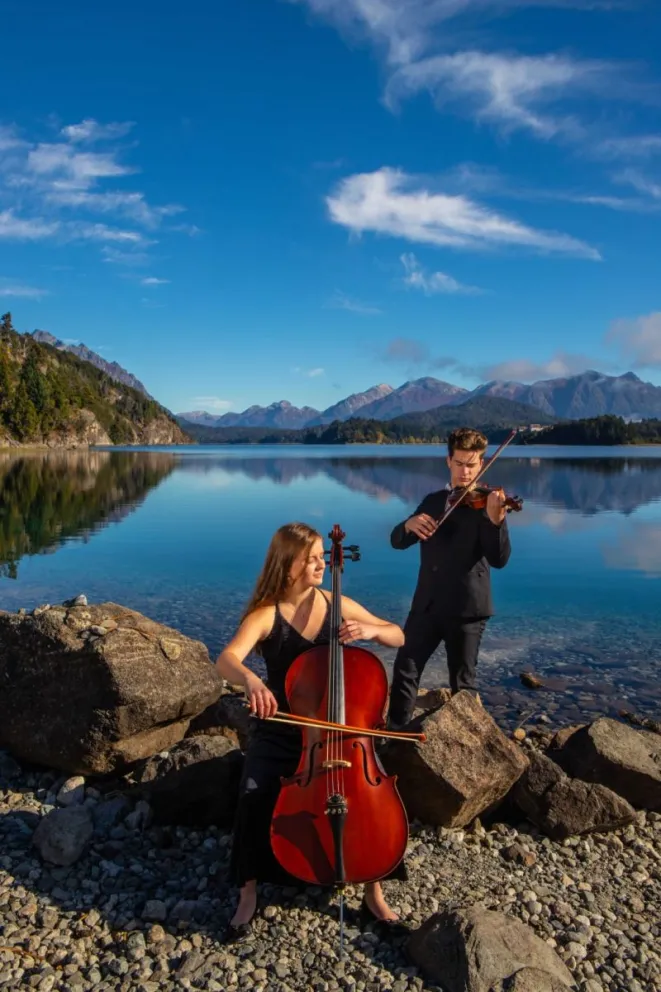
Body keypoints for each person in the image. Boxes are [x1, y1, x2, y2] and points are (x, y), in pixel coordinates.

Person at [215, 522, 409, 943]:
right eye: (312, 558)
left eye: (324, 556)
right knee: (252, 793)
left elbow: (397, 633)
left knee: (374, 795)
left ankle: (374, 890)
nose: (321, 563)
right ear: (288, 566)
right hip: (282, 731)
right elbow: (227, 658)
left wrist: (373, 631)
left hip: (339, 736)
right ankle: (248, 894)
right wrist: (250, 680)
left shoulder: (336, 604)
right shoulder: (267, 614)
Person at [386, 427, 511, 730]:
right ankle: (396, 735)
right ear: (448, 461)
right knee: (405, 669)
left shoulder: (488, 504)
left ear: (481, 464)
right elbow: (397, 541)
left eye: (472, 464)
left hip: (467, 609)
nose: (465, 471)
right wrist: (408, 523)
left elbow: (499, 560)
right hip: (427, 604)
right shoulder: (433, 501)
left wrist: (496, 522)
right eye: (459, 463)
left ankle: (468, 749)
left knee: (462, 683)